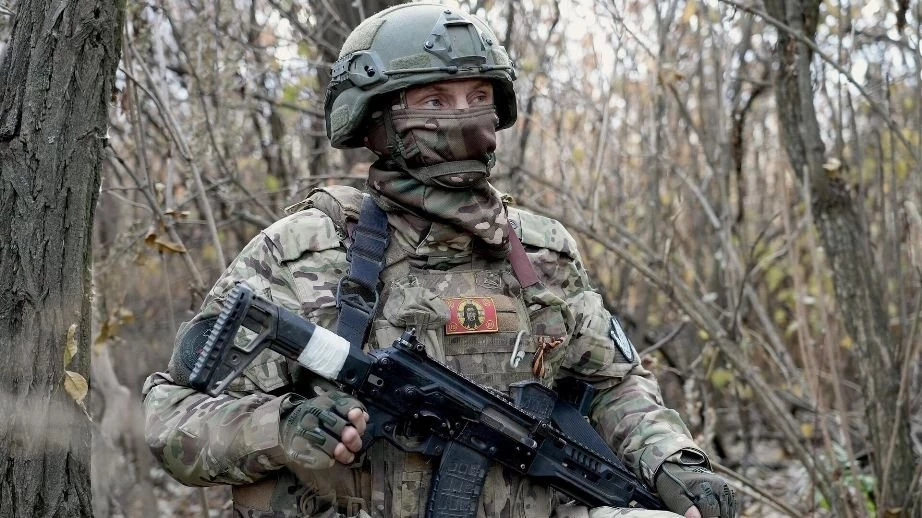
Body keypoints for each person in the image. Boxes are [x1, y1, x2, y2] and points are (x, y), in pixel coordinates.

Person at [142, 4, 737, 518]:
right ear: (375, 118)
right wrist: (283, 428)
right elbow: (171, 419)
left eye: (478, 98)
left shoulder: (540, 252)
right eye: (434, 100)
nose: (464, 118)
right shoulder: (303, 253)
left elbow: (614, 384)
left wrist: (672, 462)